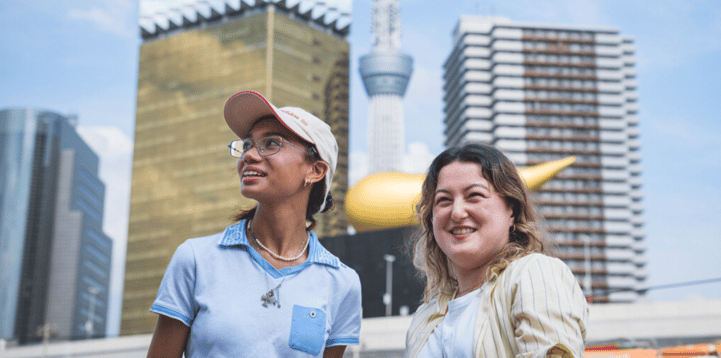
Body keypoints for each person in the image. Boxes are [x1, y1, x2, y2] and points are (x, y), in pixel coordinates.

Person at [146, 91, 362, 358]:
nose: (248, 155)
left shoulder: (342, 283)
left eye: (271, 143)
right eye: (247, 144)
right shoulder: (195, 260)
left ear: (314, 170)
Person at [405, 143, 588, 358]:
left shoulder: (533, 273)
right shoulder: (423, 317)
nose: (457, 212)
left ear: (511, 210)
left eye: (474, 195)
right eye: (444, 200)